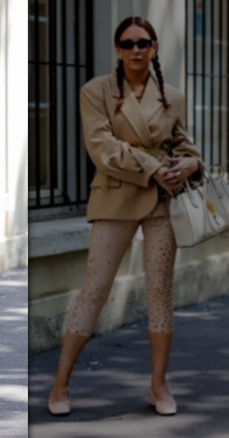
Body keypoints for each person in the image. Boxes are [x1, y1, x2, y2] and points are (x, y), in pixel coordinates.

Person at [47, 16, 201, 417]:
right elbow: (101, 147)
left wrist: (185, 165)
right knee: (95, 290)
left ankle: (159, 386)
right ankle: (60, 384)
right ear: (118, 48)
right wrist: (154, 168)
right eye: (128, 43)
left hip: (162, 203)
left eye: (144, 42)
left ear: (153, 48)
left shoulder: (173, 95)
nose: (136, 49)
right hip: (116, 199)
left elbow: (188, 148)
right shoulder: (95, 90)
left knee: (160, 293)